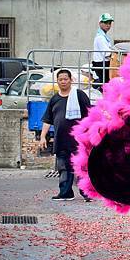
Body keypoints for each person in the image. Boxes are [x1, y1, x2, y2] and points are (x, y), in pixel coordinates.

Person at [39, 69, 92, 201]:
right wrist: (42, 137)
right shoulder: (54, 99)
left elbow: (90, 115)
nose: (63, 81)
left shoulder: (79, 95)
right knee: (63, 167)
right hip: (61, 140)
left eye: (65, 79)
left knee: (81, 168)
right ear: (57, 81)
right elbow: (47, 120)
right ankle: (65, 193)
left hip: (78, 140)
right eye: (60, 79)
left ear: (71, 80)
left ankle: (86, 193)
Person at [92, 13, 114, 88]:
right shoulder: (100, 37)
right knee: (106, 84)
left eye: (109, 23)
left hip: (102, 63)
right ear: (100, 23)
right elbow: (107, 54)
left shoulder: (103, 36)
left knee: (105, 83)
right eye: (105, 23)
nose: (108, 25)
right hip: (102, 64)